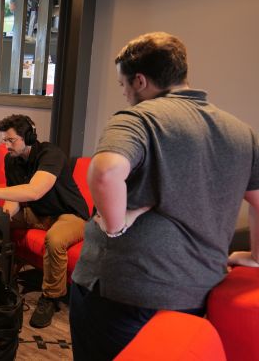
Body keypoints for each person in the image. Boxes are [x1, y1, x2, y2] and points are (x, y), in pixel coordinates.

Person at [70, 32, 259, 360]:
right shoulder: (242, 133)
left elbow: (105, 171)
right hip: (195, 293)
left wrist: (115, 226)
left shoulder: (139, 119)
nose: (124, 93)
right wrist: (256, 256)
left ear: (140, 81)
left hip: (123, 290)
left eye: (123, 84)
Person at [0, 114, 88, 328]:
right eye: (4, 140)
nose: (6, 145)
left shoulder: (51, 154)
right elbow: (14, 196)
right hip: (38, 213)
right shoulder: (11, 160)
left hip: (69, 214)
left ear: (28, 137)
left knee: (55, 240)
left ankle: (50, 297)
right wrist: (6, 216)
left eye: (11, 140)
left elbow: (34, 191)